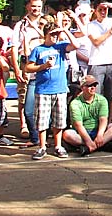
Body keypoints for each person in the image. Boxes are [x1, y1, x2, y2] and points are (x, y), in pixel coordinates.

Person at [25, 22, 78, 160]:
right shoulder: (38, 49)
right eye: (52, 34)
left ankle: (58, 145)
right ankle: (42, 146)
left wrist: (65, 30)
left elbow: (76, 45)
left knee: (59, 120)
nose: (54, 37)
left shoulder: (60, 47)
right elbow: (28, 67)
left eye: (56, 34)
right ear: (45, 35)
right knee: (42, 121)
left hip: (60, 89)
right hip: (43, 89)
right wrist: (43, 66)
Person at [11, 0, 46, 145]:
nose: (36, 9)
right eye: (33, 6)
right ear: (27, 7)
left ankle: (43, 132)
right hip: (26, 64)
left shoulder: (47, 22)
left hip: (45, 65)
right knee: (23, 97)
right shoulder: (20, 25)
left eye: (38, 6)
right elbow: (13, 48)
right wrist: (17, 70)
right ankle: (25, 126)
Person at [62, 75, 112, 156]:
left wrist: (100, 135)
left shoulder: (102, 100)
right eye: (89, 86)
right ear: (82, 87)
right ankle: (101, 145)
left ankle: (90, 147)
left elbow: (103, 119)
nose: (93, 87)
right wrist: (88, 141)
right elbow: (78, 125)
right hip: (82, 133)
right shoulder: (75, 103)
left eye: (94, 85)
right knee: (67, 134)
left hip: (99, 131)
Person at [86, 0, 112, 118]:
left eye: (105, 9)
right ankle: (96, 121)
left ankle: (109, 120)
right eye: (100, 9)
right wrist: (110, 31)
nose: (103, 12)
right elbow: (96, 41)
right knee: (96, 95)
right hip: (97, 63)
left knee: (111, 96)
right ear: (95, 11)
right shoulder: (91, 25)